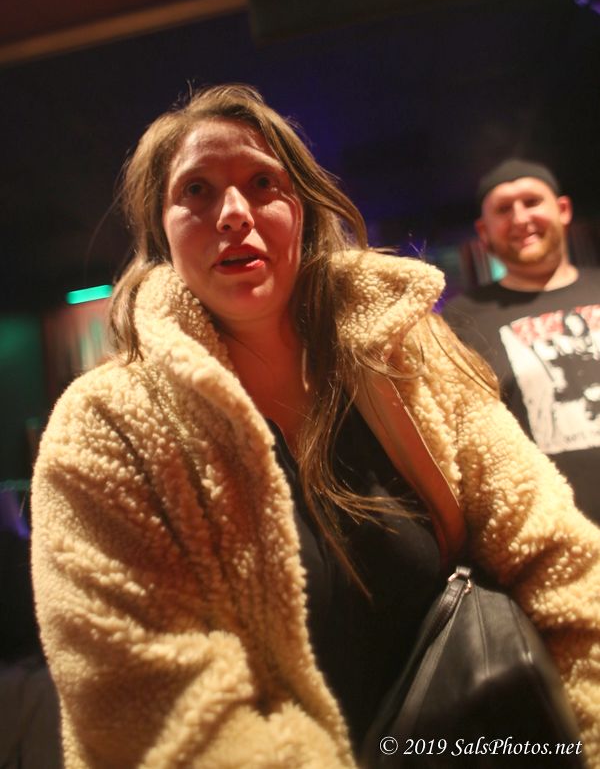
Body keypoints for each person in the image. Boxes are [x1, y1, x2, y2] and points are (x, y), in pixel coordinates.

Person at [31, 88, 600, 768]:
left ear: (300, 208)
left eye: (262, 183)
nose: (234, 213)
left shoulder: (408, 356)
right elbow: (153, 708)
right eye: (197, 191)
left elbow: (557, 558)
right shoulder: (105, 426)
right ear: (161, 231)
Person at [443, 158, 600, 525]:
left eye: (532, 202)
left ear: (562, 210)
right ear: (484, 231)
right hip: (548, 534)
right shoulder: (460, 319)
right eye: (503, 210)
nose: (519, 218)